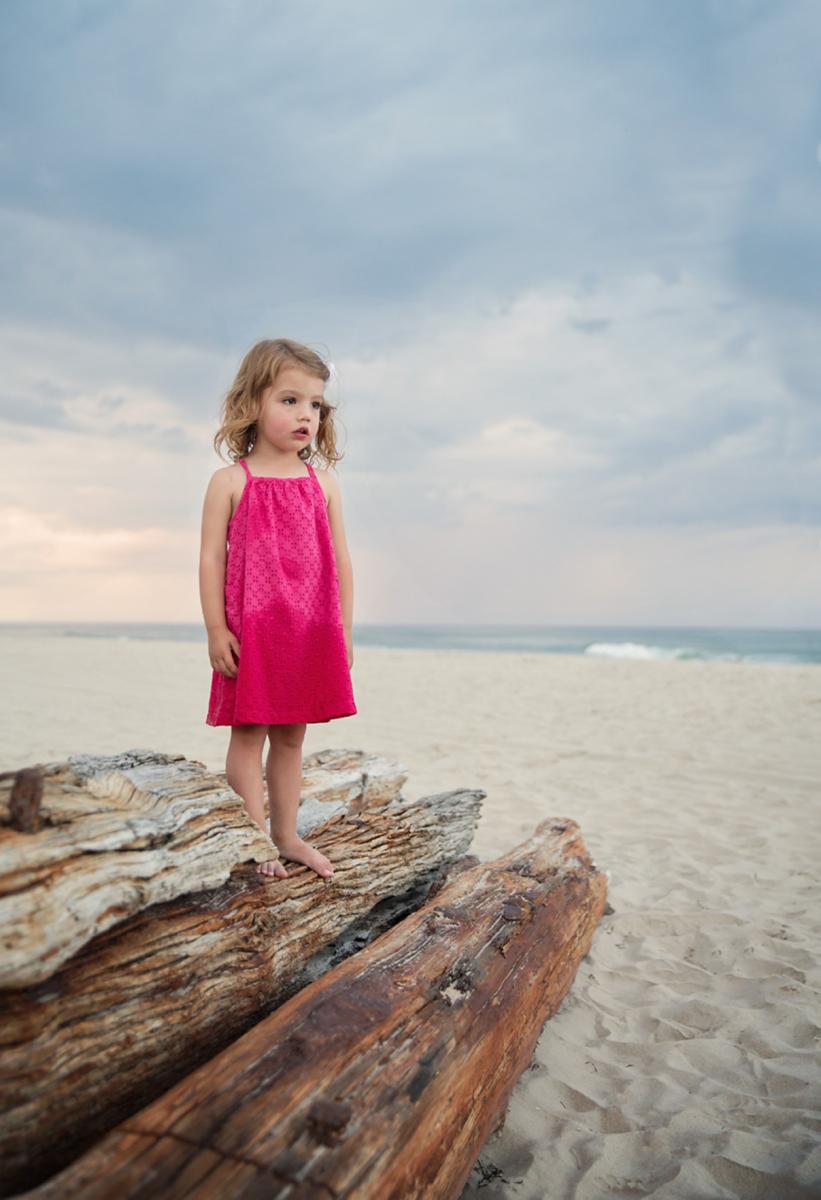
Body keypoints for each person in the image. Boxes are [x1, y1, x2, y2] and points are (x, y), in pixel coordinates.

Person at [199, 337, 357, 883]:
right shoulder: (230, 482)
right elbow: (209, 560)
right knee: (249, 734)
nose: (305, 415)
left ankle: (286, 835)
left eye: (315, 405)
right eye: (290, 400)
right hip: (255, 631)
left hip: (310, 630)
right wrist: (216, 629)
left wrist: (345, 633)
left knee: (291, 737)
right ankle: (251, 839)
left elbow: (341, 563)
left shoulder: (324, 484)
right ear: (253, 403)